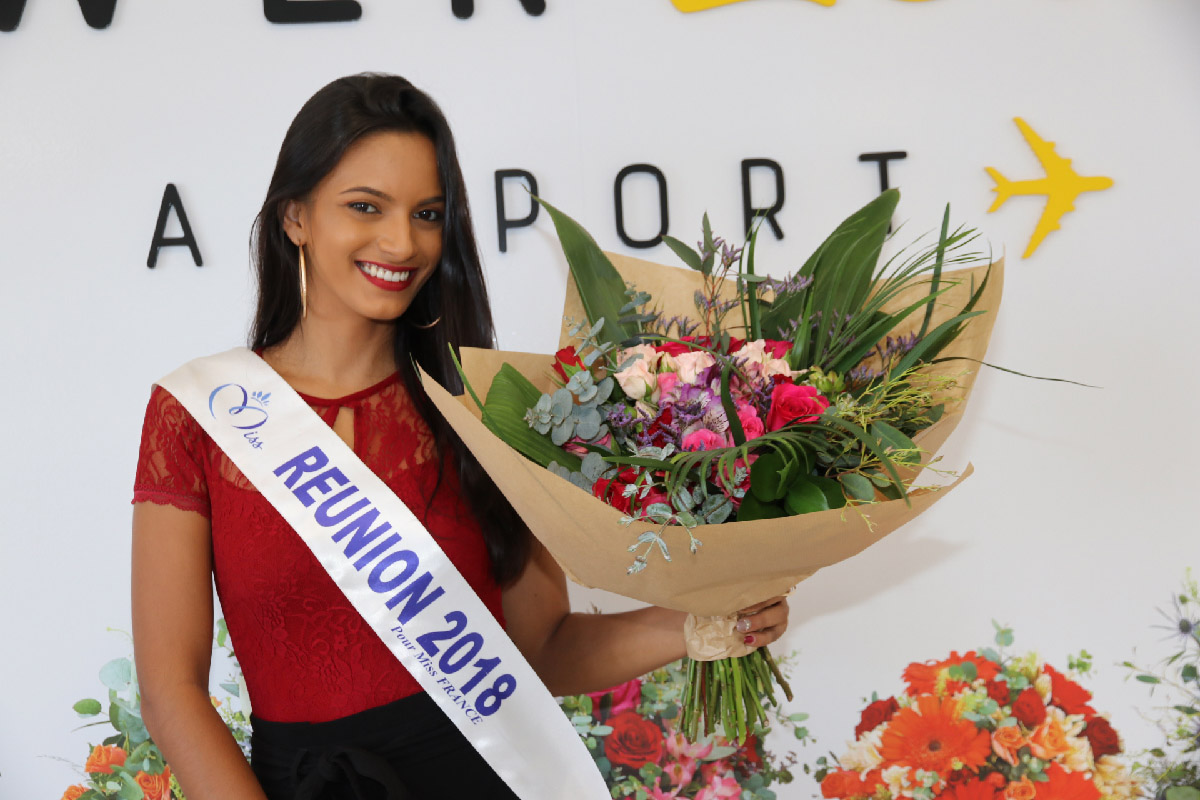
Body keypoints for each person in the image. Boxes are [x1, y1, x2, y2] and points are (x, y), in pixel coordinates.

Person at [130, 73, 789, 800]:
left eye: (427, 213)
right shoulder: (198, 413)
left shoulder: (486, 417)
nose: (400, 241)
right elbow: (170, 688)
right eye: (364, 207)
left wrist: (699, 622)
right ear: (294, 217)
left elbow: (543, 649)